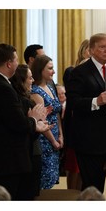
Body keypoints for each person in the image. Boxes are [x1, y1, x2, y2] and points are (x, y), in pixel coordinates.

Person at [65, 33, 106, 193]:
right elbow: (73, 102)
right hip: (89, 140)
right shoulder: (79, 72)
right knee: (93, 185)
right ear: (91, 49)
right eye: (103, 47)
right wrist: (96, 101)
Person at [0, 43, 50, 200]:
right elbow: (17, 123)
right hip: (7, 159)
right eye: (17, 60)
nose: (19, 63)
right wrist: (33, 119)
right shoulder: (3, 87)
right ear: (9, 63)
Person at [9, 64, 44, 200]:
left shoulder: (23, 99)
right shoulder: (23, 102)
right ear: (21, 80)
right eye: (29, 78)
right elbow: (26, 129)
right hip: (28, 154)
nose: (33, 81)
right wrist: (36, 122)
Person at [31, 55, 64, 189]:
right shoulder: (35, 91)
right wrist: (53, 141)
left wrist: (61, 135)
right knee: (44, 181)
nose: (53, 71)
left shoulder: (50, 87)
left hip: (55, 138)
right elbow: (42, 120)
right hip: (45, 141)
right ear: (40, 70)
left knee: (52, 179)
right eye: (50, 68)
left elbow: (56, 114)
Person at [63, 39, 91, 191]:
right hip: (73, 122)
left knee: (83, 169)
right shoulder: (71, 70)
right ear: (83, 51)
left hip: (87, 124)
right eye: (89, 50)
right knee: (73, 165)